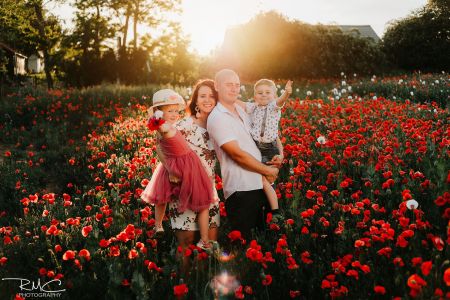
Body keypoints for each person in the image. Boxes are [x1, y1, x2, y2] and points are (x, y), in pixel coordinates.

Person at [207, 69, 282, 239]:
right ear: (217, 86)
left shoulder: (242, 110)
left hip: (261, 183)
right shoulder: (218, 117)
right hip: (242, 189)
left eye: (237, 85)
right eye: (229, 85)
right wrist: (267, 171)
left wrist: (280, 154)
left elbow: (269, 131)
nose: (234, 89)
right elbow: (237, 155)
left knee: (267, 240)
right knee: (245, 244)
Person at [140, 89, 214, 250]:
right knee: (196, 199)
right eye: (169, 111)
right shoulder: (163, 126)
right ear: (159, 113)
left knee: (163, 196)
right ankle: (203, 239)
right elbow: (156, 129)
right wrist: (155, 115)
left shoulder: (168, 126)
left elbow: (159, 147)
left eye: (176, 111)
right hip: (183, 165)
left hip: (184, 162)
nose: (174, 114)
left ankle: (159, 225)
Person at [168, 79, 221, 275]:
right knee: (187, 242)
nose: (208, 100)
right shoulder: (185, 125)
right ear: (195, 101)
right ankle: (183, 286)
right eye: (203, 96)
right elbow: (166, 148)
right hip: (185, 189)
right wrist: (172, 171)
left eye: (212, 96)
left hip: (209, 192)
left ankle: (203, 286)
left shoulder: (220, 126)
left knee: (209, 243)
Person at [235, 79, 292, 221]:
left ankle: (275, 210)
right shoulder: (253, 107)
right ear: (255, 96)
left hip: (269, 149)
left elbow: (281, 101)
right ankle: (268, 208)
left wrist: (286, 93)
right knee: (259, 180)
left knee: (266, 180)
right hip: (254, 147)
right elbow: (240, 103)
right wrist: (227, 97)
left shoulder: (274, 106)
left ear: (274, 95)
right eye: (260, 93)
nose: (264, 95)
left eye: (268, 92)